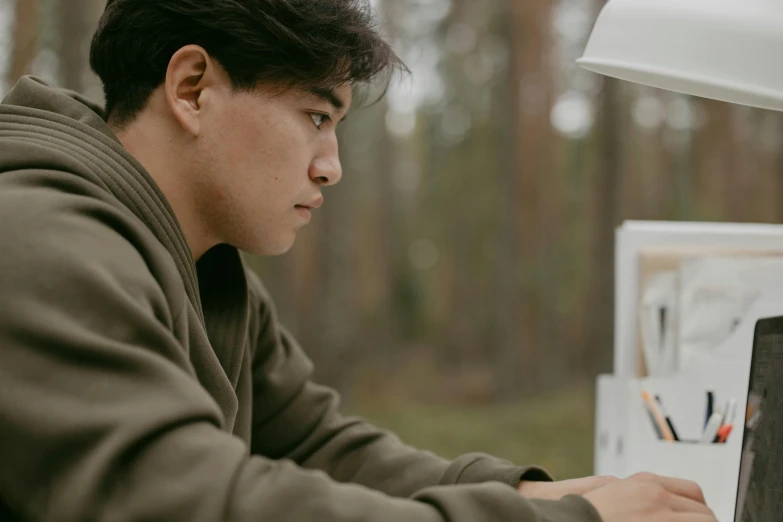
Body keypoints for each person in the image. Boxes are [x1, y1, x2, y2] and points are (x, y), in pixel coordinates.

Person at [0, 1, 717, 521]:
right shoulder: (36, 240)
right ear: (192, 88)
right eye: (315, 117)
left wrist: (526, 493)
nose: (331, 167)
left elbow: (314, 445)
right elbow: (184, 500)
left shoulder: (209, 272)